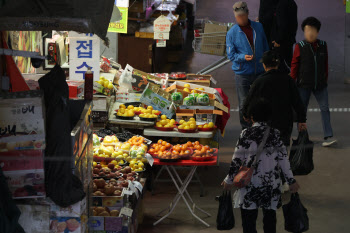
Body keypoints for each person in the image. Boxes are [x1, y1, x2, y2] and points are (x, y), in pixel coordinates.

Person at [222, 98, 300, 233]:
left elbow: (236, 160)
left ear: (252, 116)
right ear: (269, 116)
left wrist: (229, 180)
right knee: (270, 222)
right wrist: (291, 181)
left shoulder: (246, 134)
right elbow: (283, 160)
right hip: (271, 185)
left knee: (248, 223)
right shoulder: (275, 134)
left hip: (250, 184)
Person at [242, 50, 307, 147]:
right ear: (278, 64)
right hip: (285, 123)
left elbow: (249, 100)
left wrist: (246, 114)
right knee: (282, 152)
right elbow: (297, 101)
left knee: (265, 152)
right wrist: (302, 120)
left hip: (264, 123)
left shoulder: (259, 81)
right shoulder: (288, 80)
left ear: (264, 65)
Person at [291, 17, 337, 147]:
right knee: (302, 111)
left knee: (325, 108)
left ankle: (328, 136)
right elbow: (294, 65)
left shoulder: (323, 45)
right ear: (304, 32)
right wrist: (291, 82)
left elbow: (325, 64)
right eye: (307, 30)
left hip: (320, 85)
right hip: (303, 85)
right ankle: (302, 137)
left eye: (312, 30)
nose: (309, 33)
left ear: (317, 32)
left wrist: (324, 79)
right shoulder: (299, 46)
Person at [226, 1, 269, 129]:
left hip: (260, 71)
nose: (241, 18)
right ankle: (245, 129)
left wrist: (266, 64)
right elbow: (231, 55)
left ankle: (261, 127)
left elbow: (265, 46)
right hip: (242, 73)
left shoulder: (258, 27)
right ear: (235, 16)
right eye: (238, 16)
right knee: (244, 103)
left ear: (248, 13)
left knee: (261, 101)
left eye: (243, 15)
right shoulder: (232, 33)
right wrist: (243, 57)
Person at [270, 0, 298, 73]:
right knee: (290, 62)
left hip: (281, 42)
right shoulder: (292, 3)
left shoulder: (281, 4)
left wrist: (278, 40)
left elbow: (282, 24)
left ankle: (289, 80)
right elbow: (294, 24)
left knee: (280, 65)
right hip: (289, 39)